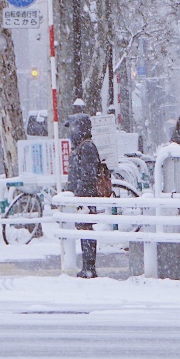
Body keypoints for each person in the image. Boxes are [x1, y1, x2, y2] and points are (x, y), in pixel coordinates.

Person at [67, 111, 103, 277]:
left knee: (86, 229)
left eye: (73, 128)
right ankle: (87, 267)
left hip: (85, 197)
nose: (71, 133)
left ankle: (89, 267)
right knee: (83, 229)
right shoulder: (83, 146)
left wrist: (80, 195)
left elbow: (88, 175)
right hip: (82, 196)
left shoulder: (87, 147)